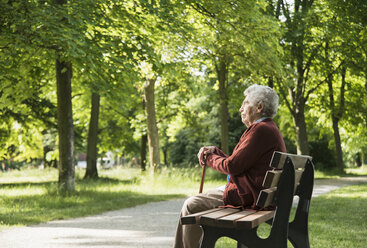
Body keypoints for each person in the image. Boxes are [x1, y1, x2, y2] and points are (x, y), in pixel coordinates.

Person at [173, 84, 286, 248]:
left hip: (248, 197)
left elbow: (232, 166)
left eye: (245, 103)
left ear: (260, 107)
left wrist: (210, 158)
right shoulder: (267, 128)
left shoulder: (260, 130)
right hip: (255, 194)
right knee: (194, 203)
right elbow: (239, 162)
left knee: (191, 205)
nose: (241, 108)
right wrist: (216, 152)